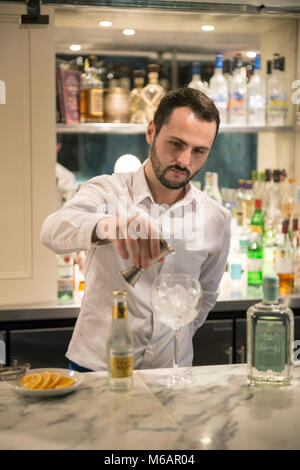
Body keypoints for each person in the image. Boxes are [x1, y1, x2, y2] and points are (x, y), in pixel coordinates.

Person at [40, 87, 231, 372]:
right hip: (98, 369)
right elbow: (51, 232)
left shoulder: (216, 218)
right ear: (151, 131)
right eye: (176, 144)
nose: (184, 160)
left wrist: (178, 337)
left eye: (199, 151)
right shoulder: (107, 191)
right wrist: (109, 226)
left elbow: (205, 297)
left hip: (172, 375)